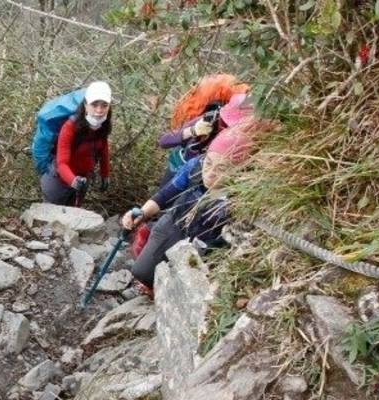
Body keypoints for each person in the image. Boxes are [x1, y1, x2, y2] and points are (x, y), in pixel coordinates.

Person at [122, 124, 255, 294]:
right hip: (177, 222)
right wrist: (142, 213)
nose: (211, 172)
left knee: (180, 289)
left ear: (238, 171)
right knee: (142, 272)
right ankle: (153, 288)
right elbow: (166, 194)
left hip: (207, 242)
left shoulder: (241, 196)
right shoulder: (195, 166)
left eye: (222, 168)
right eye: (209, 163)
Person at [156, 91, 252, 186]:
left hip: (207, 181)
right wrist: (193, 131)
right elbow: (164, 141)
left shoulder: (249, 139)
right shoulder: (212, 119)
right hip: (179, 167)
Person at [41, 81, 113, 207]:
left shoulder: (102, 127)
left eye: (104, 105)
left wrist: (105, 174)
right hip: (58, 183)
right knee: (53, 222)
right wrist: (73, 181)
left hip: (81, 182)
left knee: (73, 221)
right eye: (94, 105)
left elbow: (104, 152)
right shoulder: (70, 127)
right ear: (85, 105)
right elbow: (62, 163)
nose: (99, 110)